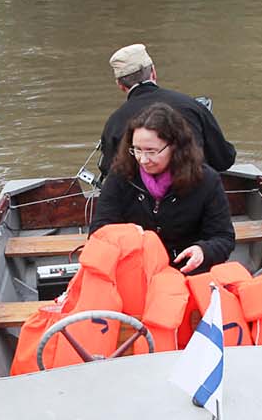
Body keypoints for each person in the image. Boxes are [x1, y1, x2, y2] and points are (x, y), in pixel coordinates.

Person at [90, 103, 235, 275]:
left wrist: (203, 251)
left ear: (175, 146)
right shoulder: (120, 176)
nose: (143, 160)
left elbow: (223, 238)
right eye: (137, 150)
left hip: (186, 271)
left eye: (151, 151)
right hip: (135, 271)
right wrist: (124, 234)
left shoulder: (206, 180)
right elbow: (98, 230)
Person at [96, 43, 235, 179]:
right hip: (195, 193)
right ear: (154, 72)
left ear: (120, 85)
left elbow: (110, 171)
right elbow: (224, 159)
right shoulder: (192, 106)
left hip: (141, 199)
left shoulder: (115, 121)